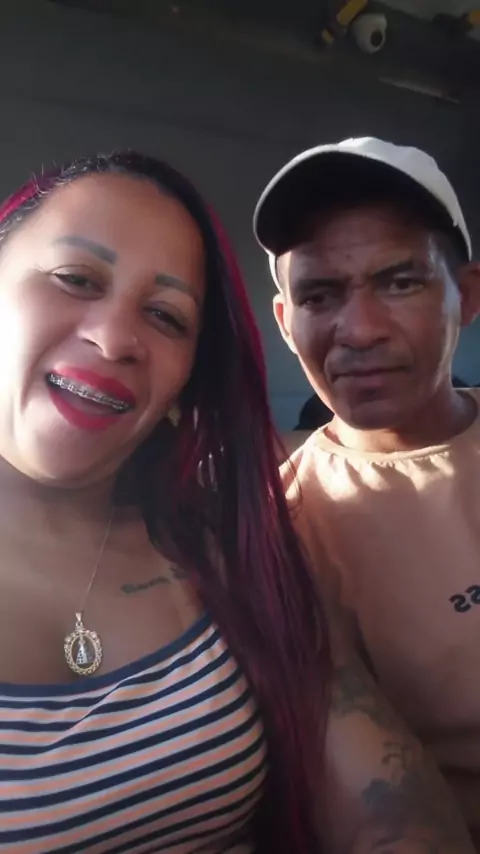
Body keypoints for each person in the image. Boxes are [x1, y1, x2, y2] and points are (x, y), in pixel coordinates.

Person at [0, 150, 470, 854]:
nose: (115, 338)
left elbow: (386, 804)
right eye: (75, 278)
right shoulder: (280, 514)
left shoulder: (220, 541)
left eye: (165, 315)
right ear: (284, 321)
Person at [253, 136, 480, 848]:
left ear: (468, 296)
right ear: (286, 323)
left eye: (400, 282)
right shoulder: (283, 531)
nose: (359, 331)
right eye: (319, 296)